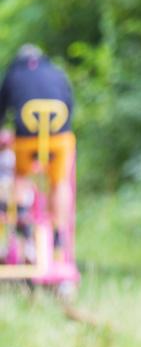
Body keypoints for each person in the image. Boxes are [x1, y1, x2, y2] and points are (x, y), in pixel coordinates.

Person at [0, 45, 74, 254]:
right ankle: (59, 234)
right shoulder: (57, 73)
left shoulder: (13, 73)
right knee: (60, 182)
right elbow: (70, 107)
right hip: (58, 137)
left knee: (20, 176)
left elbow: (2, 110)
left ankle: (22, 213)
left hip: (27, 138)